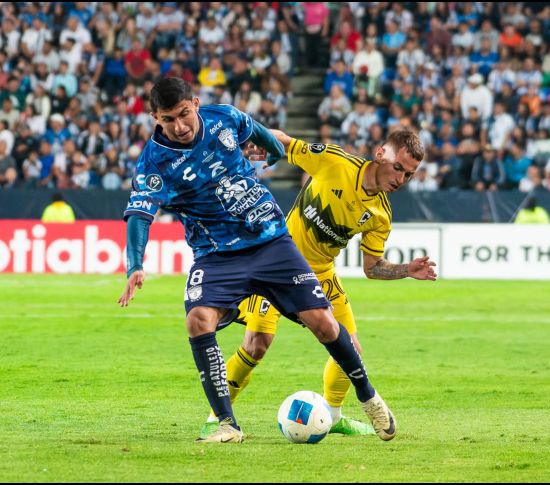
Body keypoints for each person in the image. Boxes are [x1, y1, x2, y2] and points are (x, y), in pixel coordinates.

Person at [117, 78, 397, 444]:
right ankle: (226, 424)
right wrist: (134, 264)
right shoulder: (154, 162)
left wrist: (274, 153)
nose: (179, 126)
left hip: (271, 242)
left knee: (324, 325)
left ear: (196, 104)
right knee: (198, 321)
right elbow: (140, 214)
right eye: (168, 119)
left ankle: (370, 399)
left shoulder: (224, 118)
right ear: (155, 118)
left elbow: (257, 131)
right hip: (216, 254)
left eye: (184, 114)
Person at [199, 128, 437, 439]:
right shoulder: (334, 162)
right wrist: (243, 135)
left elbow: (372, 267)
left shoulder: (380, 214)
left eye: (409, 174)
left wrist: (406, 269)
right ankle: (218, 417)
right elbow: (283, 141)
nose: (401, 179)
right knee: (257, 343)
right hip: (277, 263)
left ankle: (333, 415)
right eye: (398, 168)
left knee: (350, 346)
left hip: (321, 274)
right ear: (380, 154)